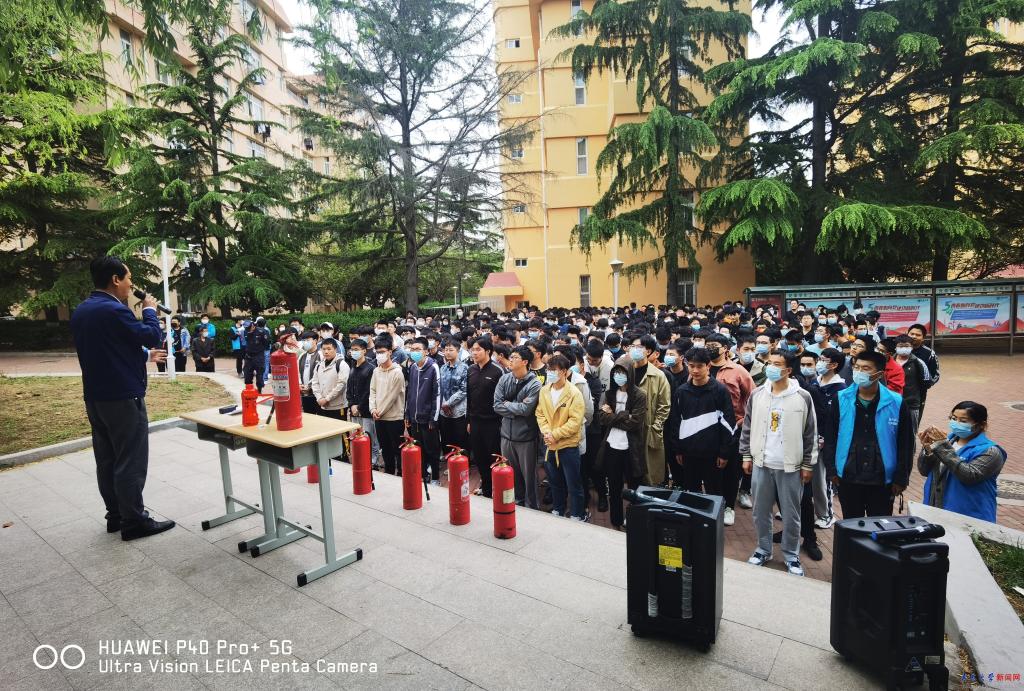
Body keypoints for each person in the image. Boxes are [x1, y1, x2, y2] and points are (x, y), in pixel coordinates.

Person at [70, 256, 174, 540]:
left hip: (96, 398)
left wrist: (144, 357)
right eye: (128, 278)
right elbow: (150, 335)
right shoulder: (114, 309)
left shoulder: (83, 310)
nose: (131, 284)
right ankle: (135, 521)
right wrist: (149, 310)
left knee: (107, 459)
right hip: (123, 397)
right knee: (130, 459)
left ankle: (115, 515)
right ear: (115, 279)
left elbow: (109, 348)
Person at [741, 350, 818, 576]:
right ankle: (763, 549)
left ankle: (791, 555)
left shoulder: (802, 396)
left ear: (788, 370)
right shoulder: (758, 394)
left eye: (777, 364)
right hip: (762, 463)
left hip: (790, 466)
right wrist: (746, 455)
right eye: (769, 363)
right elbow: (747, 427)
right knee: (760, 511)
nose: (771, 368)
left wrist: (808, 464)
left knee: (792, 514)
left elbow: (810, 433)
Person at [823, 350, 915, 518]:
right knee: (852, 524)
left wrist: (901, 477)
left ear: (879, 374)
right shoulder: (841, 398)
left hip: (882, 478)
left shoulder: (896, 402)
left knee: (880, 524)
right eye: (857, 367)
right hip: (849, 475)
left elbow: (906, 443)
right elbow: (831, 437)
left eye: (865, 368)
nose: (859, 372)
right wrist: (831, 470)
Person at [918, 401, 1006, 523]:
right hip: (936, 509)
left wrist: (941, 447)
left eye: (963, 421)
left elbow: (969, 476)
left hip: (969, 516)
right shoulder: (947, 441)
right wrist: (928, 450)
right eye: (954, 418)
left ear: (981, 425)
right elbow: (924, 470)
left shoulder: (991, 452)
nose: (956, 423)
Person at [669, 347, 736, 497]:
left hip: (713, 454)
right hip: (688, 453)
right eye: (691, 366)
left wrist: (724, 452)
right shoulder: (681, 392)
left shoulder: (720, 391)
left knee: (714, 494)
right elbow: (675, 422)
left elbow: (728, 423)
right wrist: (677, 449)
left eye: (700, 366)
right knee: (691, 494)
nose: (695, 370)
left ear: (708, 366)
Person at [708, 333, 755, 526]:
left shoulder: (738, 371)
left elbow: (753, 397)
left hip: (732, 427)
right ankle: (713, 504)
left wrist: (743, 421)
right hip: (708, 428)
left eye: (714, 345)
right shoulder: (702, 367)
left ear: (725, 348)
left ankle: (729, 507)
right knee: (711, 470)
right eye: (708, 345)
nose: (710, 348)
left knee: (730, 470)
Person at [595, 364, 648, 528]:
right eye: (616, 372)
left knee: (634, 486)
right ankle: (616, 520)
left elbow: (635, 423)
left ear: (630, 374)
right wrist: (624, 415)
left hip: (631, 448)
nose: (619, 376)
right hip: (612, 446)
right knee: (614, 486)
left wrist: (612, 415)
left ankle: (634, 521)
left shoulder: (639, 395)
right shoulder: (609, 393)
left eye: (622, 372)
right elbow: (602, 418)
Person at [536, 354, 587, 520]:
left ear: (564, 371)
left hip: (568, 446)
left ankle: (577, 514)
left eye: (554, 370)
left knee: (573, 484)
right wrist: (547, 432)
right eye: (549, 369)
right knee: (555, 482)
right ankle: (558, 509)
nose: (550, 373)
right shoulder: (545, 390)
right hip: (550, 444)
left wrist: (555, 434)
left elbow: (575, 421)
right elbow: (540, 413)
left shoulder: (574, 393)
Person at [493, 345, 543, 508]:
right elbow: (496, 406)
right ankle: (516, 503)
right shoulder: (504, 379)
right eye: (511, 357)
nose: (511, 360)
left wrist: (508, 405)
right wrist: (516, 408)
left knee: (529, 476)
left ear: (525, 362)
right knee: (510, 474)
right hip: (506, 435)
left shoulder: (535, 384)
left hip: (526, 437)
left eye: (515, 357)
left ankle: (532, 507)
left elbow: (526, 410)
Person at [622, 335, 672, 485]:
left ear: (648, 351)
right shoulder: (624, 372)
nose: (633, 350)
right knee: (629, 467)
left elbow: (664, 405)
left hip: (648, 428)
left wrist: (656, 427)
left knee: (649, 470)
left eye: (638, 347)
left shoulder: (658, 375)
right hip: (627, 426)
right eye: (632, 347)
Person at [467, 337, 503, 497]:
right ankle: (486, 488)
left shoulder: (498, 371)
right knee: (479, 457)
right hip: (475, 421)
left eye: (478, 349)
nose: (474, 353)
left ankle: (498, 489)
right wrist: (469, 420)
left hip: (493, 422)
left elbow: (503, 398)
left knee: (494, 456)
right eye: (472, 350)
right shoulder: (471, 370)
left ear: (488, 351)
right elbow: (469, 397)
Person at [405, 337, 442, 482]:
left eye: (418, 349)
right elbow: (410, 393)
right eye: (412, 349)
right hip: (414, 418)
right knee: (418, 448)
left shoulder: (433, 367)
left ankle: (435, 478)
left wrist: (434, 418)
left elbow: (437, 394)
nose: (414, 352)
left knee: (432, 449)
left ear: (426, 351)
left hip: (428, 419)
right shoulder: (413, 368)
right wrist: (407, 414)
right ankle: (423, 475)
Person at [370, 336, 406, 475]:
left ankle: (401, 474)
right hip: (379, 417)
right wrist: (373, 409)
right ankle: (389, 473)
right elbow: (372, 391)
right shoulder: (376, 371)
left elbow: (392, 397)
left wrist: (379, 411)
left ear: (390, 352)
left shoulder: (397, 372)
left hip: (394, 418)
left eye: (382, 352)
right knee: (385, 448)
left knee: (397, 448)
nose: (379, 355)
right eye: (377, 352)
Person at [347, 338, 381, 466]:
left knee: (369, 436)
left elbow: (369, 391)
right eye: (352, 350)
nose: (354, 352)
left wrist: (359, 407)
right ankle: (361, 458)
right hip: (354, 410)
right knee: (357, 436)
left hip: (366, 410)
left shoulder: (370, 368)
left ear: (364, 351)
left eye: (356, 349)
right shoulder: (352, 367)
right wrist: (351, 405)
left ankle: (373, 460)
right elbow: (349, 388)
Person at [891, 335, 931, 433]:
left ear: (912, 347)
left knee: (911, 432)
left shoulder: (918, 363)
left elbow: (926, 382)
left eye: (906, 346)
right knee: (891, 432)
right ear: (895, 347)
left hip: (911, 405)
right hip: (891, 404)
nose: (903, 348)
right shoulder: (888, 362)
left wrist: (914, 394)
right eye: (900, 346)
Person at [438, 339, 469, 456]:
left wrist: (448, 403)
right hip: (443, 411)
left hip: (458, 411)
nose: (448, 352)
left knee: (460, 439)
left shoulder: (464, 368)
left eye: (451, 350)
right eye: (446, 350)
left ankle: (461, 462)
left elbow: (463, 390)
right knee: (446, 438)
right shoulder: (443, 368)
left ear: (458, 351)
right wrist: (443, 404)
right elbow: (440, 388)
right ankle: (449, 460)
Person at [311, 337, 349, 420]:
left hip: (338, 406)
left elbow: (341, 385)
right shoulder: (319, 365)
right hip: (322, 406)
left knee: (339, 428)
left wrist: (327, 399)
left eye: (329, 349)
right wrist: (319, 398)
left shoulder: (342, 365)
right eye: (324, 349)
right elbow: (315, 383)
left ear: (335, 349)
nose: (326, 351)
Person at [907, 323, 940, 416]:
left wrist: (924, 386)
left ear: (923, 338)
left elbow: (935, 374)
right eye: (912, 334)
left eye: (918, 335)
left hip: (918, 394)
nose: (914, 336)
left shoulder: (929, 353)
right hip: (897, 391)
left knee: (914, 418)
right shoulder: (897, 349)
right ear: (907, 334)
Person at [297, 331, 322, 414]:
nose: (305, 342)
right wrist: (300, 384)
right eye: (304, 340)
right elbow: (297, 372)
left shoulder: (320, 355)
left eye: (308, 340)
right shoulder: (302, 356)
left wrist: (310, 385)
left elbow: (320, 374)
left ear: (315, 341)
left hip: (317, 393)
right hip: (304, 392)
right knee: (308, 413)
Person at [242, 318, 269, 392]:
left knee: (259, 375)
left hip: (258, 356)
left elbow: (266, 344)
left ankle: (259, 390)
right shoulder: (246, 331)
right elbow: (246, 341)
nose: (247, 330)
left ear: (253, 325)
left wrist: (260, 349)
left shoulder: (262, 332)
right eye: (246, 328)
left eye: (249, 328)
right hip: (249, 356)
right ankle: (249, 390)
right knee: (247, 374)